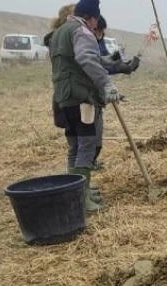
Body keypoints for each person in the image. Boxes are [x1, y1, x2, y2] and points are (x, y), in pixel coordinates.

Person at [48, 0, 118, 213]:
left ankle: (78, 191)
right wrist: (107, 84)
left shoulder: (60, 32)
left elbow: (73, 60)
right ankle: (81, 196)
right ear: (92, 18)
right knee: (86, 146)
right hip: (81, 97)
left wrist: (106, 60)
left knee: (75, 146)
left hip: (63, 97)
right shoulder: (82, 31)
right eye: (96, 21)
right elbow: (86, 59)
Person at [88, 16, 140, 188]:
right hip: (85, 97)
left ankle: (87, 172)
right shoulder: (83, 41)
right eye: (98, 30)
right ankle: (83, 184)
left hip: (96, 96)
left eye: (102, 31)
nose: (100, 34)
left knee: (96, 140)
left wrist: (120, 64)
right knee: (87, 142)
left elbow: (104, 62)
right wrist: (119, 68)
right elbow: (96, 67)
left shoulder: (97, 40)